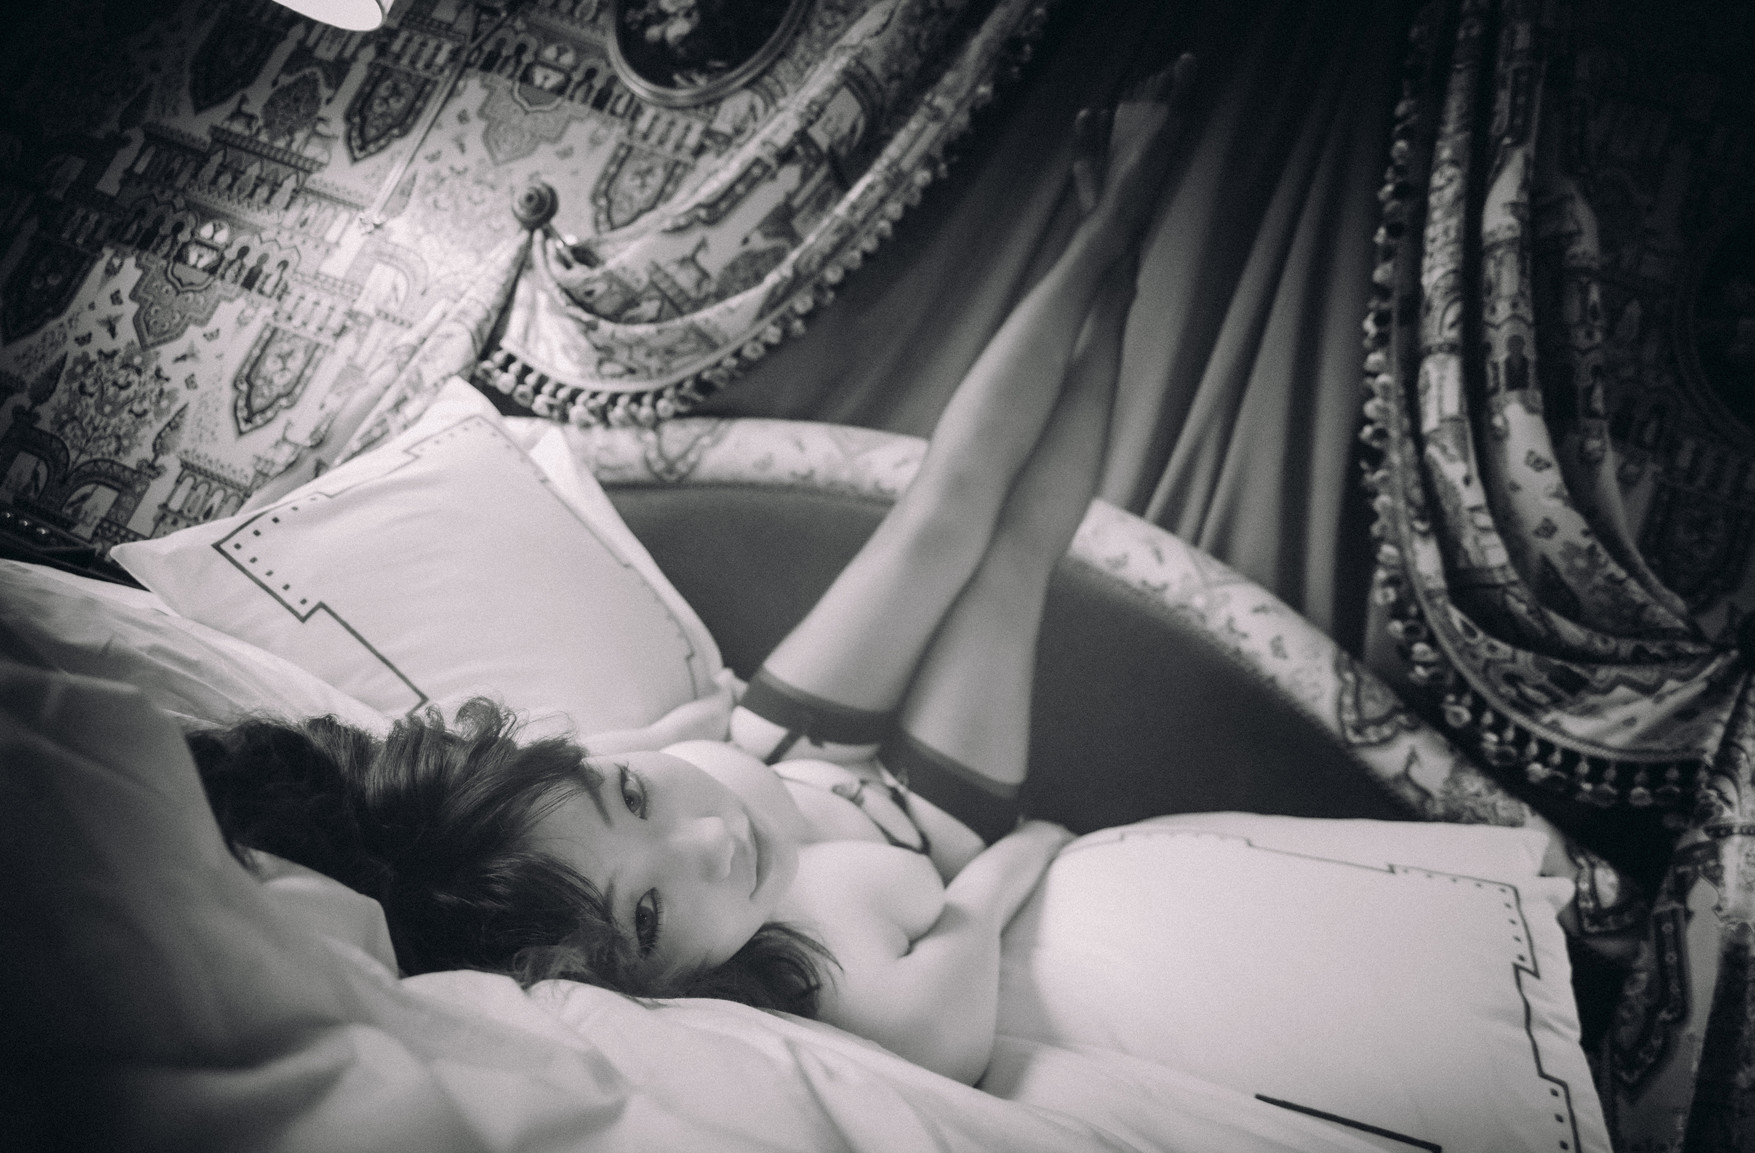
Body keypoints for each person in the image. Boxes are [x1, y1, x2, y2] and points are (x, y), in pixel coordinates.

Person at [191, 56, 1197, 1086]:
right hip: (930, 822)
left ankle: (1107, 227)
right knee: (1014, 560)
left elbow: (656, 756)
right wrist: (1022, 851)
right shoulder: (868, 1011)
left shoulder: (579, 817)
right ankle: (1120, 274)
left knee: (942, 511)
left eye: (633, 794)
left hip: (786, 744)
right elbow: (992, 895)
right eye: (647, 914)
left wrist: (697, 733)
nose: (711, 838)